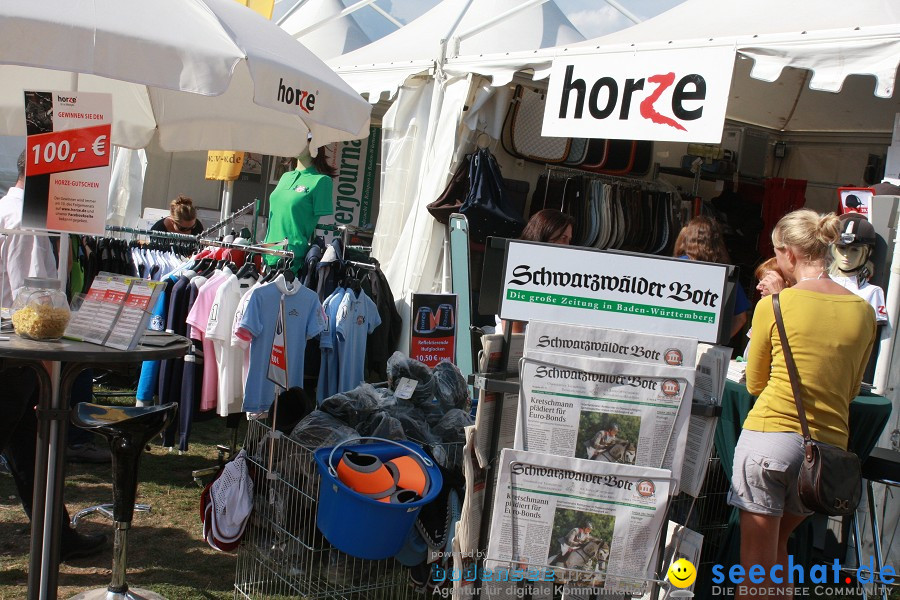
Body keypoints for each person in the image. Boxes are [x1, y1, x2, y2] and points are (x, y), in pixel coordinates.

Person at [730, 209, 876, 599]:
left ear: (790, 254)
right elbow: (850, 390)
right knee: (778, 553)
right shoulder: (863, 311)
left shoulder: (774, 306)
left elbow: (756, 383)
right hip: (826, 453)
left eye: (777, 253)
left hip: (770, 440)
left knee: (756, 573)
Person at [0, 150, 106, 560]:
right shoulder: (25, 220)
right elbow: (37, 300)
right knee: (28, 446)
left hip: (13, 351)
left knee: (30, 449)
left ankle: (56, 535)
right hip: (15, 354)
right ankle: (56, 536)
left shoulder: (9, 209)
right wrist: (50, 365)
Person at [673, 216, 750, 339]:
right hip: (705, 347)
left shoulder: (673, 268)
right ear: (717, 241)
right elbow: (741, 318)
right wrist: (719, 340)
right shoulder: (725, 274)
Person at [264, 143, 336, 271]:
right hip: (266, 252)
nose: (296, 142)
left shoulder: (322, 181)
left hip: (291, 258)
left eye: (302, 139)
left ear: (314, 145)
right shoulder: (285, 177)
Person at [503, 209, 576, 334]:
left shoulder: (558, 275)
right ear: (545, 235)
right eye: (563, 238)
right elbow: (514, 335)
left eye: (569, 239)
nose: (567, 245)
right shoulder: (522, 273)